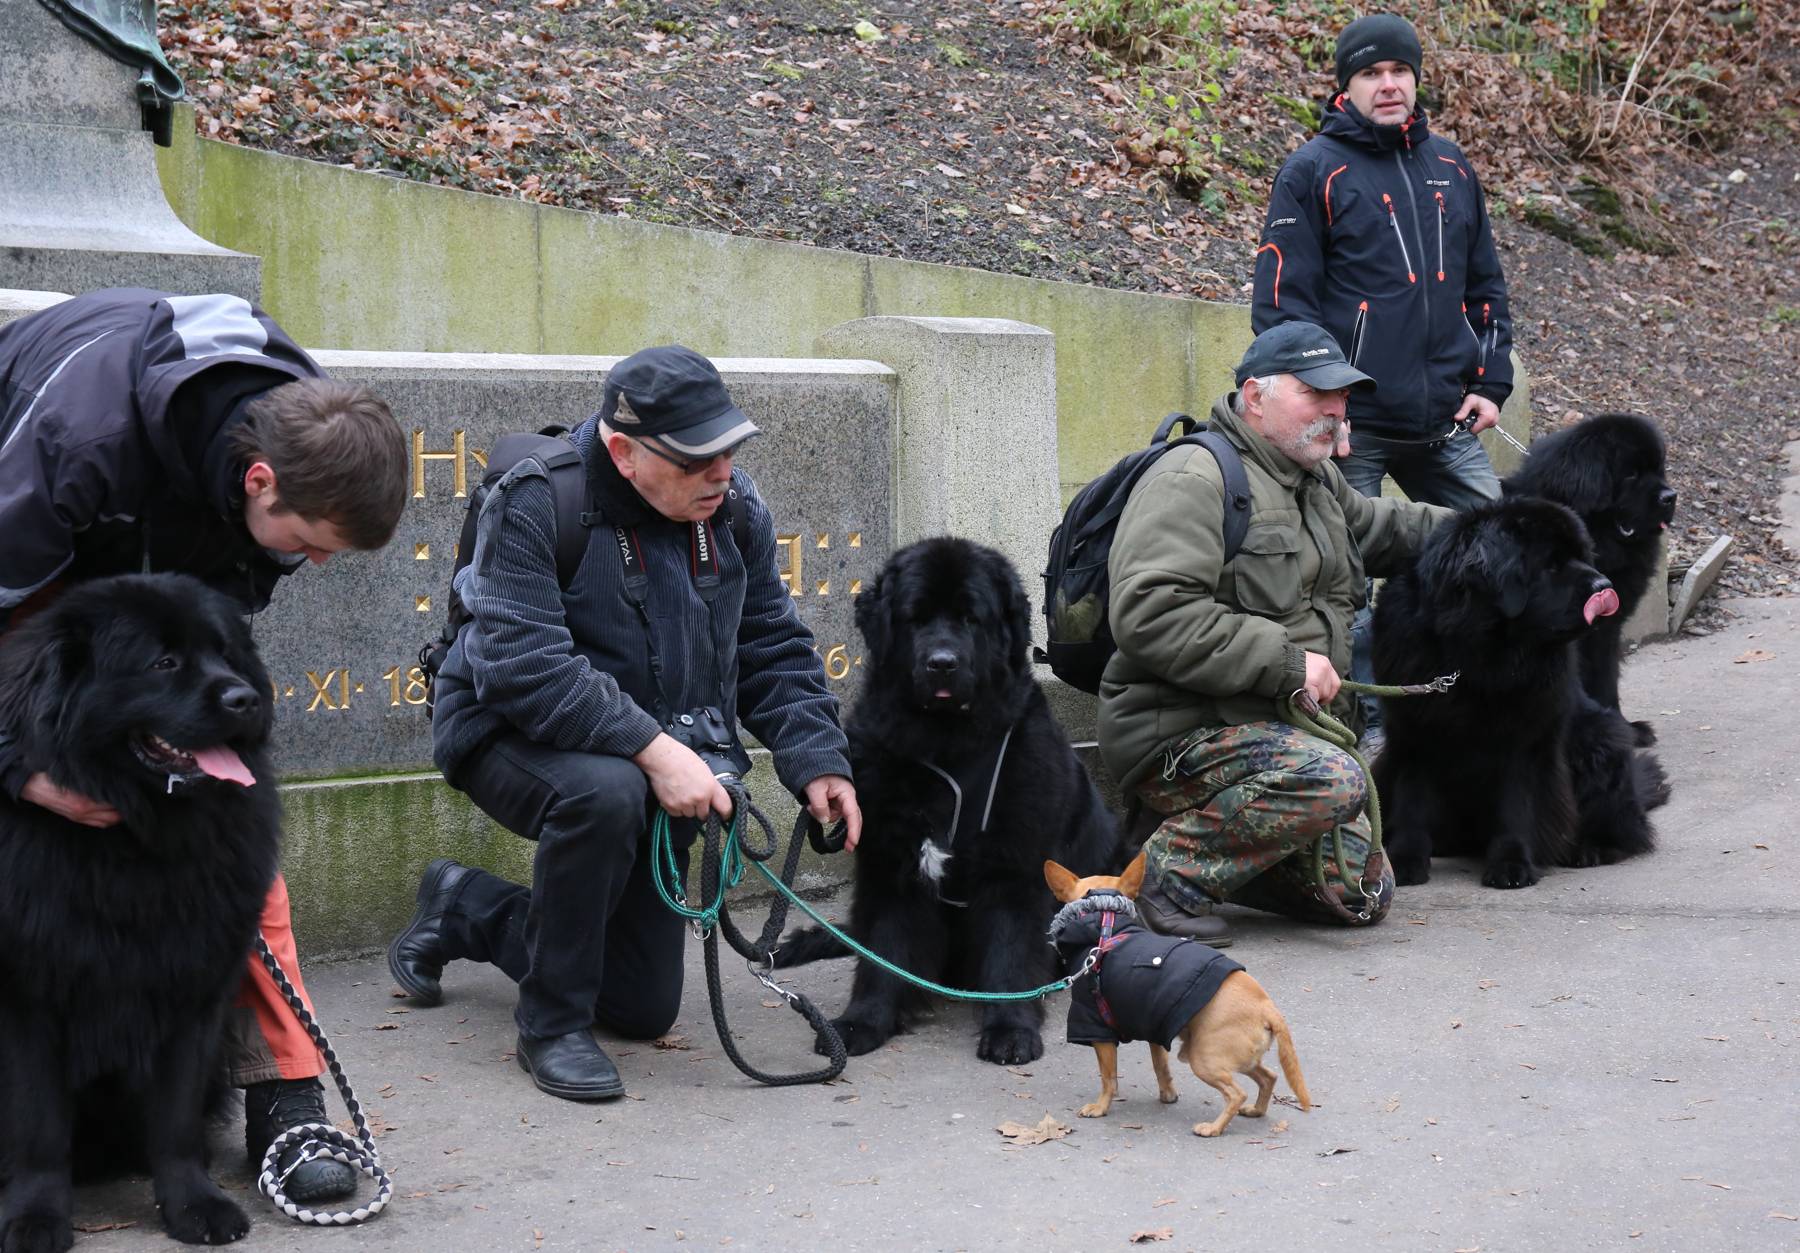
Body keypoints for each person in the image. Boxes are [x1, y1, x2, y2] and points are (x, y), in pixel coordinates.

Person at [0, 286, 409, 1200]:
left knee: (232, 838)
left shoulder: (311, 428)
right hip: (24, 555)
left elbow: (227, 626)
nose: (317, 563)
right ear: (259, 479)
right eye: (310, 543)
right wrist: (18, 766)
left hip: (158, 567)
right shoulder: (74, 441)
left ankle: (286, 1095)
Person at [389, 344, 862, 1101]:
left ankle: (466, 906)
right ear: (623, 453)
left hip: (660, 749)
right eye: (695, 459)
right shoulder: (537, 499)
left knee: (641, 1006)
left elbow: (769, 642)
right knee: (605, 791)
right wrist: (656, 750)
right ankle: (551, 1026)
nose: (721, 473)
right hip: (504, 727)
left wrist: (818, 758)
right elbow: (524, 667)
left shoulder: (733, 509)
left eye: (729, 451)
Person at [1097, 322, 1450, 947]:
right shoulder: (1194, 477)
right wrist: (1289, 664)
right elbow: (1152, 613)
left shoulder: (1312, 479)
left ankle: (1188, 843)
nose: (1336, 409)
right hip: (1183, 732)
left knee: (1361, 894)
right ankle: (1159, 879)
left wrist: (1500, 522)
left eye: (1342, 395)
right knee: (1335, 776)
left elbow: (1382, 528)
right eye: (1315, 393)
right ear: (1255, 397)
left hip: (1276, 736)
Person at [1251, 11, 1514, 741]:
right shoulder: (1313, 171)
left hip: (1444, 425)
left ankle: (1498, 707)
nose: (1389, 84)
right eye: (1371, 73)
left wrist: (1489, 383)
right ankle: (1369, 731)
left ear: (1416, 79)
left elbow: (1486, 288)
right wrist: (1323, 411)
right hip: (1354, 429)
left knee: (1507, 550)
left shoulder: (1453, 168)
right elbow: (1282, 309)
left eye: (1400, 70)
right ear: (1347, 86)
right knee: (1346, 585)